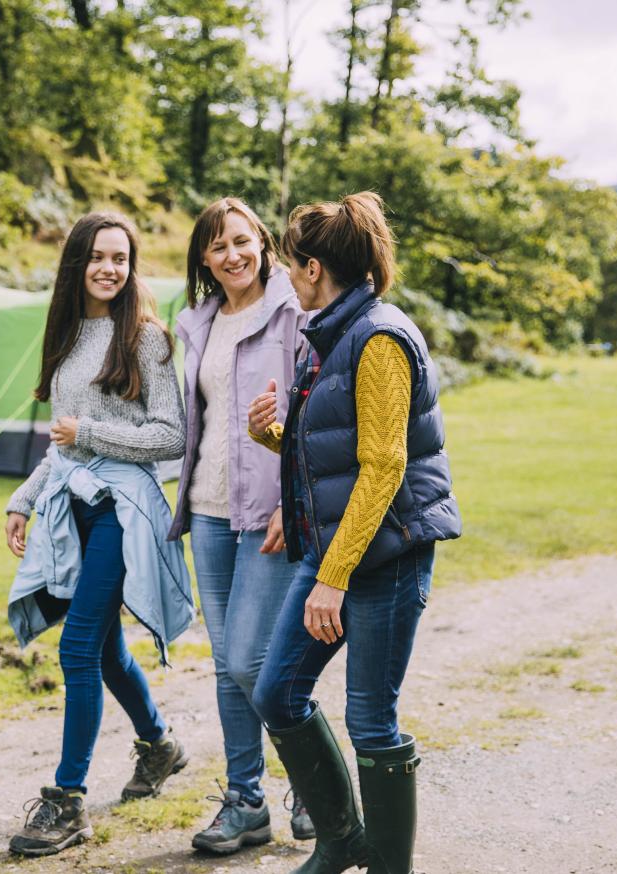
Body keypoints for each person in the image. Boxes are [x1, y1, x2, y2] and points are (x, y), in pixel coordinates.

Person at [247, 193, 461, 874]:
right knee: (278, 692)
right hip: (335, 549)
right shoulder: (331, 334)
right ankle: (341, 841)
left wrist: (332, 579)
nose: (283, 279)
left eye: (288, 266)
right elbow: (332, 451)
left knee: (371, 720)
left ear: (313, 268)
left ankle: (389, 866)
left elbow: (384, 468)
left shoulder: (379, 338)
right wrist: (273, 435)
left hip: (388, 558)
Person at [3, 212, 193, 857]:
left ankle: (67, 801)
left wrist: (90, 433)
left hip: (124, 508)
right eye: (98, 257)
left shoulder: (146, 338)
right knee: (106, 649)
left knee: (79, 648)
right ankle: (160, 745)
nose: (110, 268)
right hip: (72, 505)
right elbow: (61, 446)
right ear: (76, 263)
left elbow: (171, 436)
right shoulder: (64, 337)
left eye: (122, 257)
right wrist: (24, 499)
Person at [168, 197, 314, 854]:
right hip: (207, 510)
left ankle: (315, 785)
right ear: (204, 257)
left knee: (258, 662)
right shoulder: (197, 323)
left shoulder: (294, 313)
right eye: (218, 246)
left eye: (242, 241)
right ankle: (246, 801)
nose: (232, 255)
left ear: (262, 242)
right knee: (228, 666)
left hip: (269, 515)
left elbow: (313, 414)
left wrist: (294, 497)